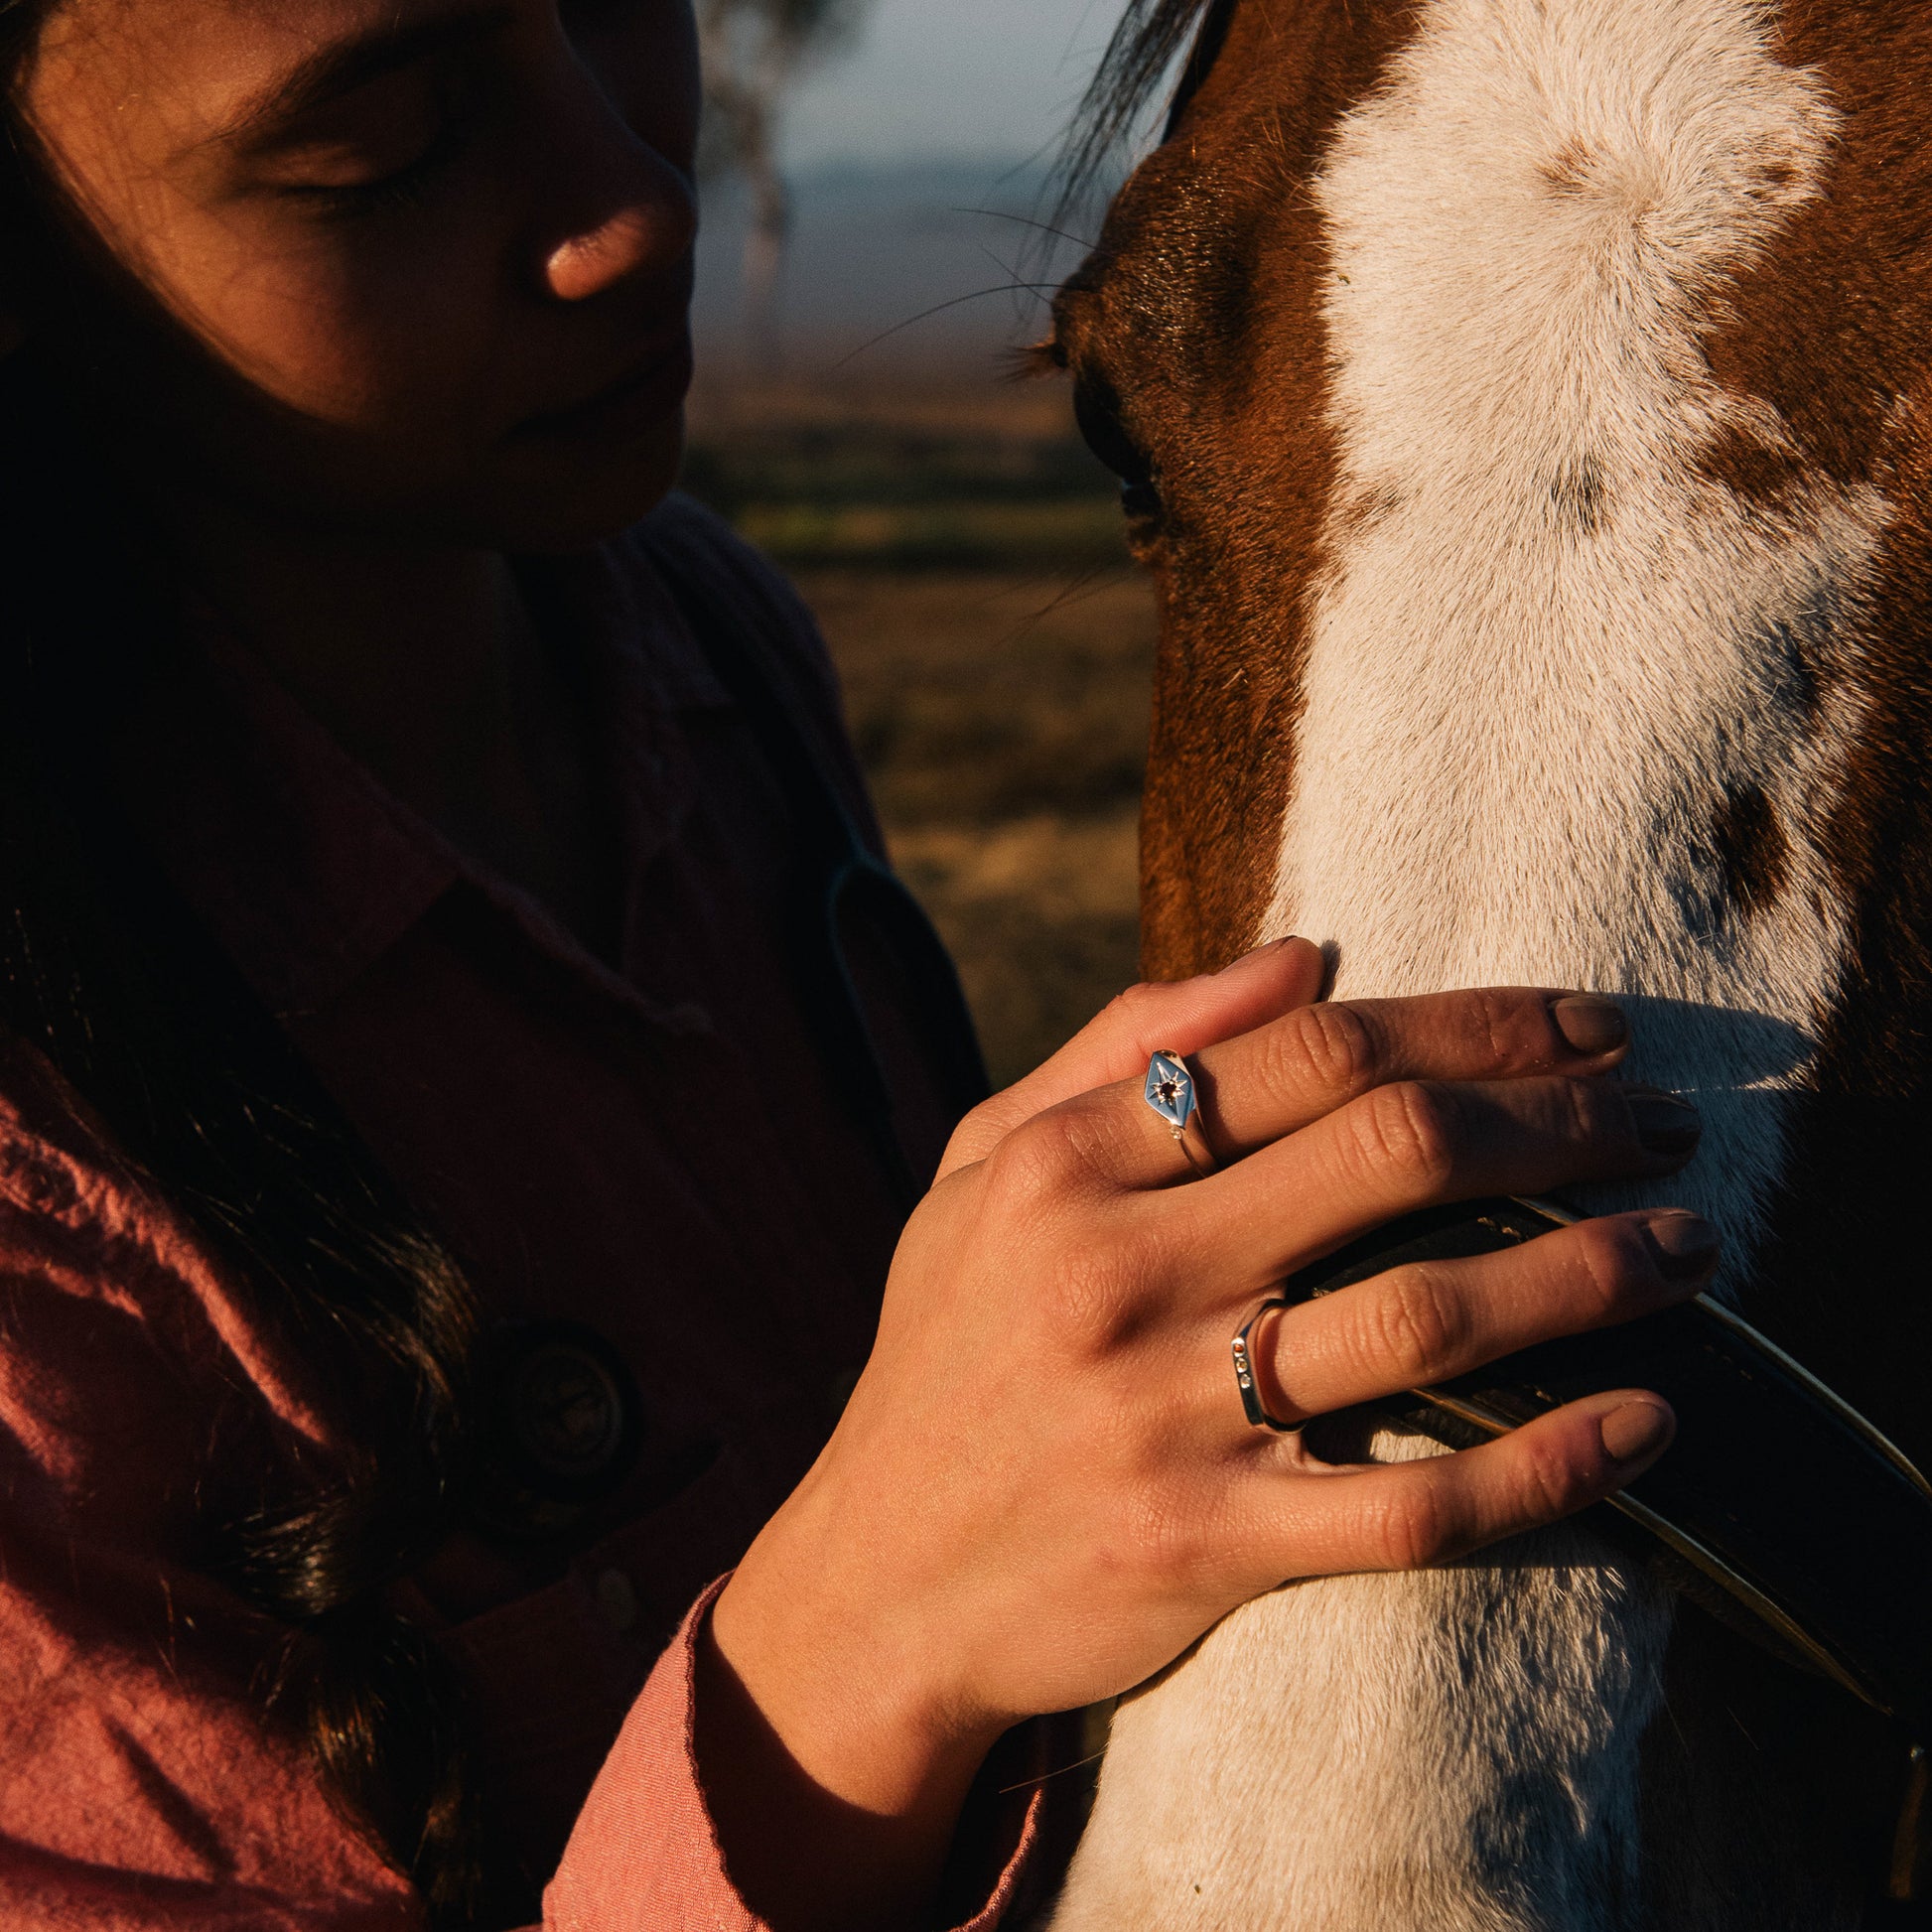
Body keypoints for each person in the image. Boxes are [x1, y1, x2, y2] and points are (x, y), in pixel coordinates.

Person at [0, 0, 1717, 1926]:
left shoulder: (707, 651)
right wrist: (861, 1636)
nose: (634, 200)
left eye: (618, 9)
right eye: (378, 146)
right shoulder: (39, 1180)